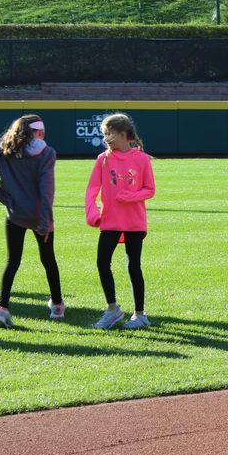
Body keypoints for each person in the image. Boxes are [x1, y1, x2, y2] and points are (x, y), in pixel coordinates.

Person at [0, 114, 65, 328]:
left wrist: (1, 195)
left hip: (15, 214)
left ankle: (2, 308)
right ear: (38, 132)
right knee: (48, 260)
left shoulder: (4, 149)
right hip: (38, 215)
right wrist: (45, 222)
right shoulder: (46, 153)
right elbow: (46, 191)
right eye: (41, 131)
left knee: (12, 261)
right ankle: (58, 305)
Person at [85, 113, 156, 330]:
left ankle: (140, 314)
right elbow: (91, 189)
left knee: (134, 266)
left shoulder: (142, 159)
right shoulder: (103, 159)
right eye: (104, 134)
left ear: (123, 134)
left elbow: (150, 190)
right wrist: (92, 213)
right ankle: (112, 309)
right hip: (110, 221)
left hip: (134, 221)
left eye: (109, 133)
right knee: (102, 262)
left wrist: (130, 197)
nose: (106, 138)